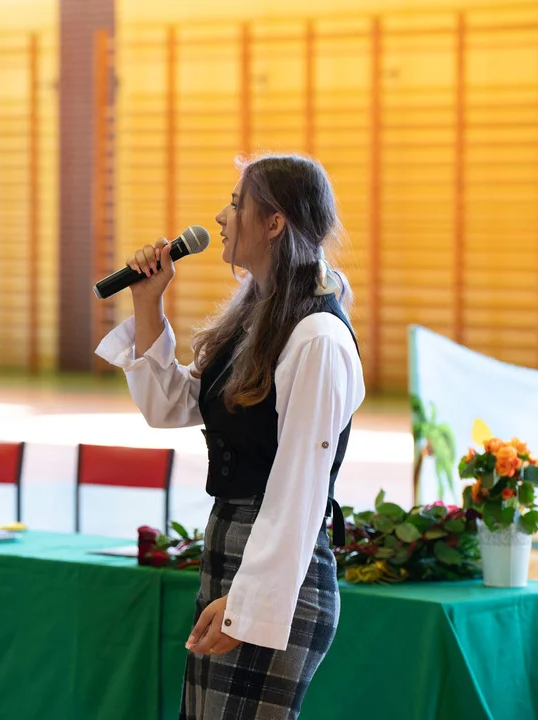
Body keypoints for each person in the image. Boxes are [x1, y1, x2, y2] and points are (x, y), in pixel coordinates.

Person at [95, 154, 365, 719]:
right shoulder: (259, 317)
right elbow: (173, 405)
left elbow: (298, 490)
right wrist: (149, 300)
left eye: (237, 203)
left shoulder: (316, 335)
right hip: (233, 551)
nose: (221, 217)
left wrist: (249, 603)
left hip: (277, 571)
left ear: (275, 223)